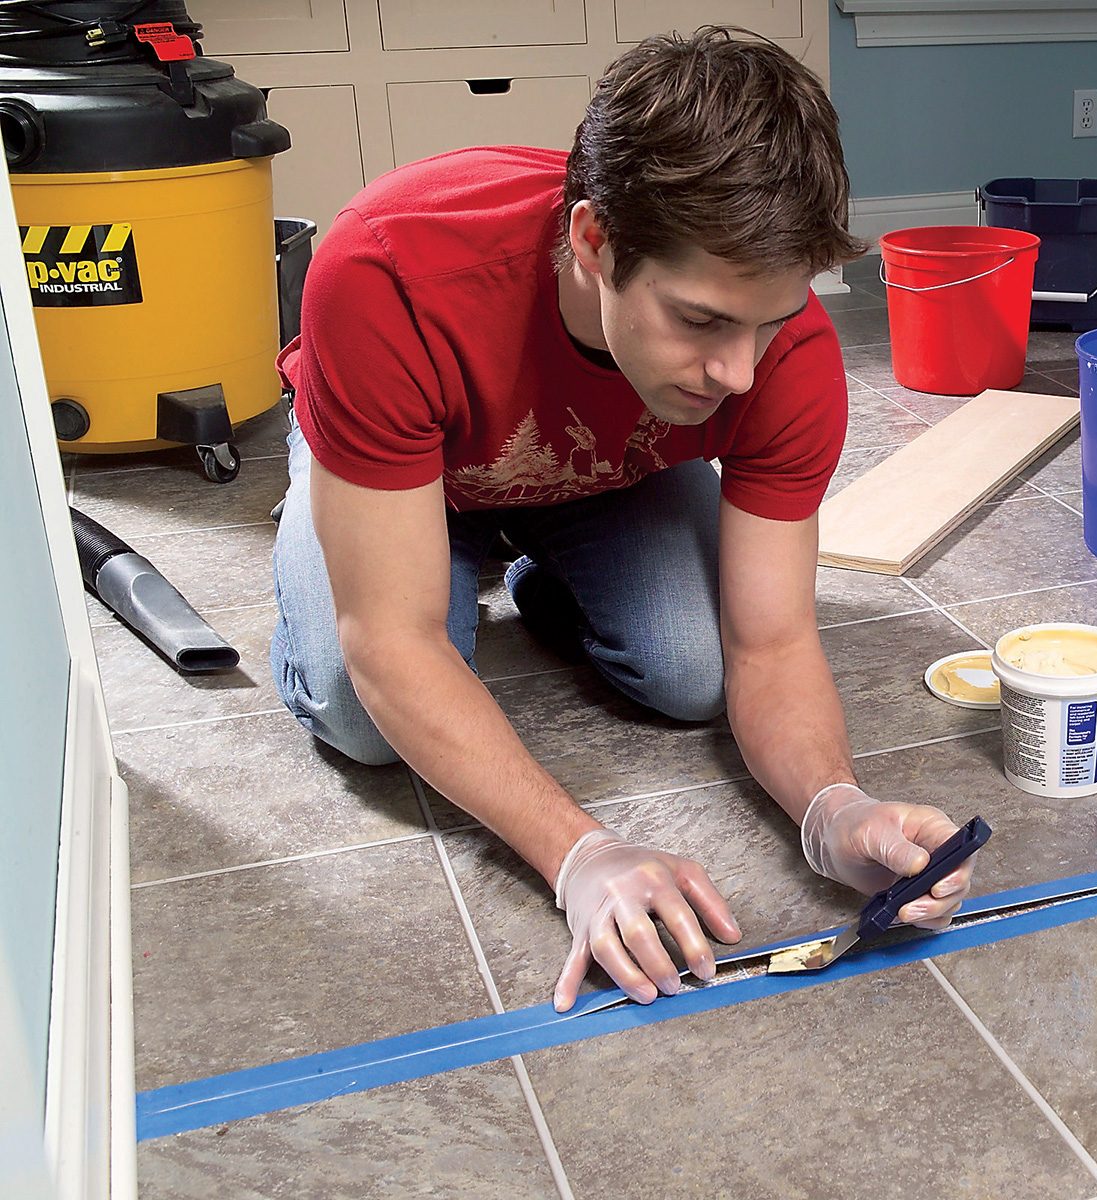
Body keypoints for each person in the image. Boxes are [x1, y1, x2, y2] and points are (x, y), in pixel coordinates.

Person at [268, 27, 977, 1013]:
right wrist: (579, 854)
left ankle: (537, 566)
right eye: (700, 321)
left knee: (695, 673)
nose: (739, 372)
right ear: (594, 241)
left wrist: (834, 810)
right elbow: (394, 641)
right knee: (363, 707)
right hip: (408, 471)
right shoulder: (385, 274)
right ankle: (349, 525)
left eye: (768, 322)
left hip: (605, 473)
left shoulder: (785, 357)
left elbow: (772, 642)